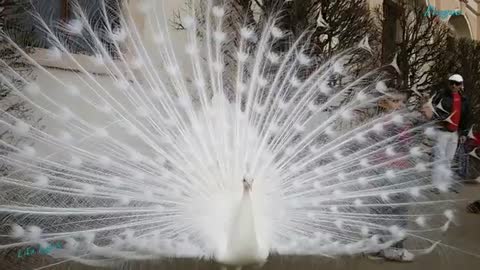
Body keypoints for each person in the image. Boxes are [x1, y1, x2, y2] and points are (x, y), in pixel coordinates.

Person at [368, 93, 415, 262]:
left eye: (402, 101)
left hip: (383, 171)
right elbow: (404, 146)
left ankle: (374, 247)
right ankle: (394, 249)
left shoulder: (378, 123)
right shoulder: (392, 124)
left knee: (380, 210)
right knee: (398, 211)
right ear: (383, 103)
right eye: (395, 101)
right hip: (392, 172)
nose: (400, 104)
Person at [429, 74, 471, 185]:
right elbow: (433, 110)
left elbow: (466, 117)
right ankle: (436, 182)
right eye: (451, 82)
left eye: (456, 83)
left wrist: (464, 133)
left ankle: (444, 182)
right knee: (439, 157)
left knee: (449, 158)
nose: (453, 85)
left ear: (461, 85)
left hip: (455, 133)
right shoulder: (441, 96)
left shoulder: (464, 100)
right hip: (442, 131)